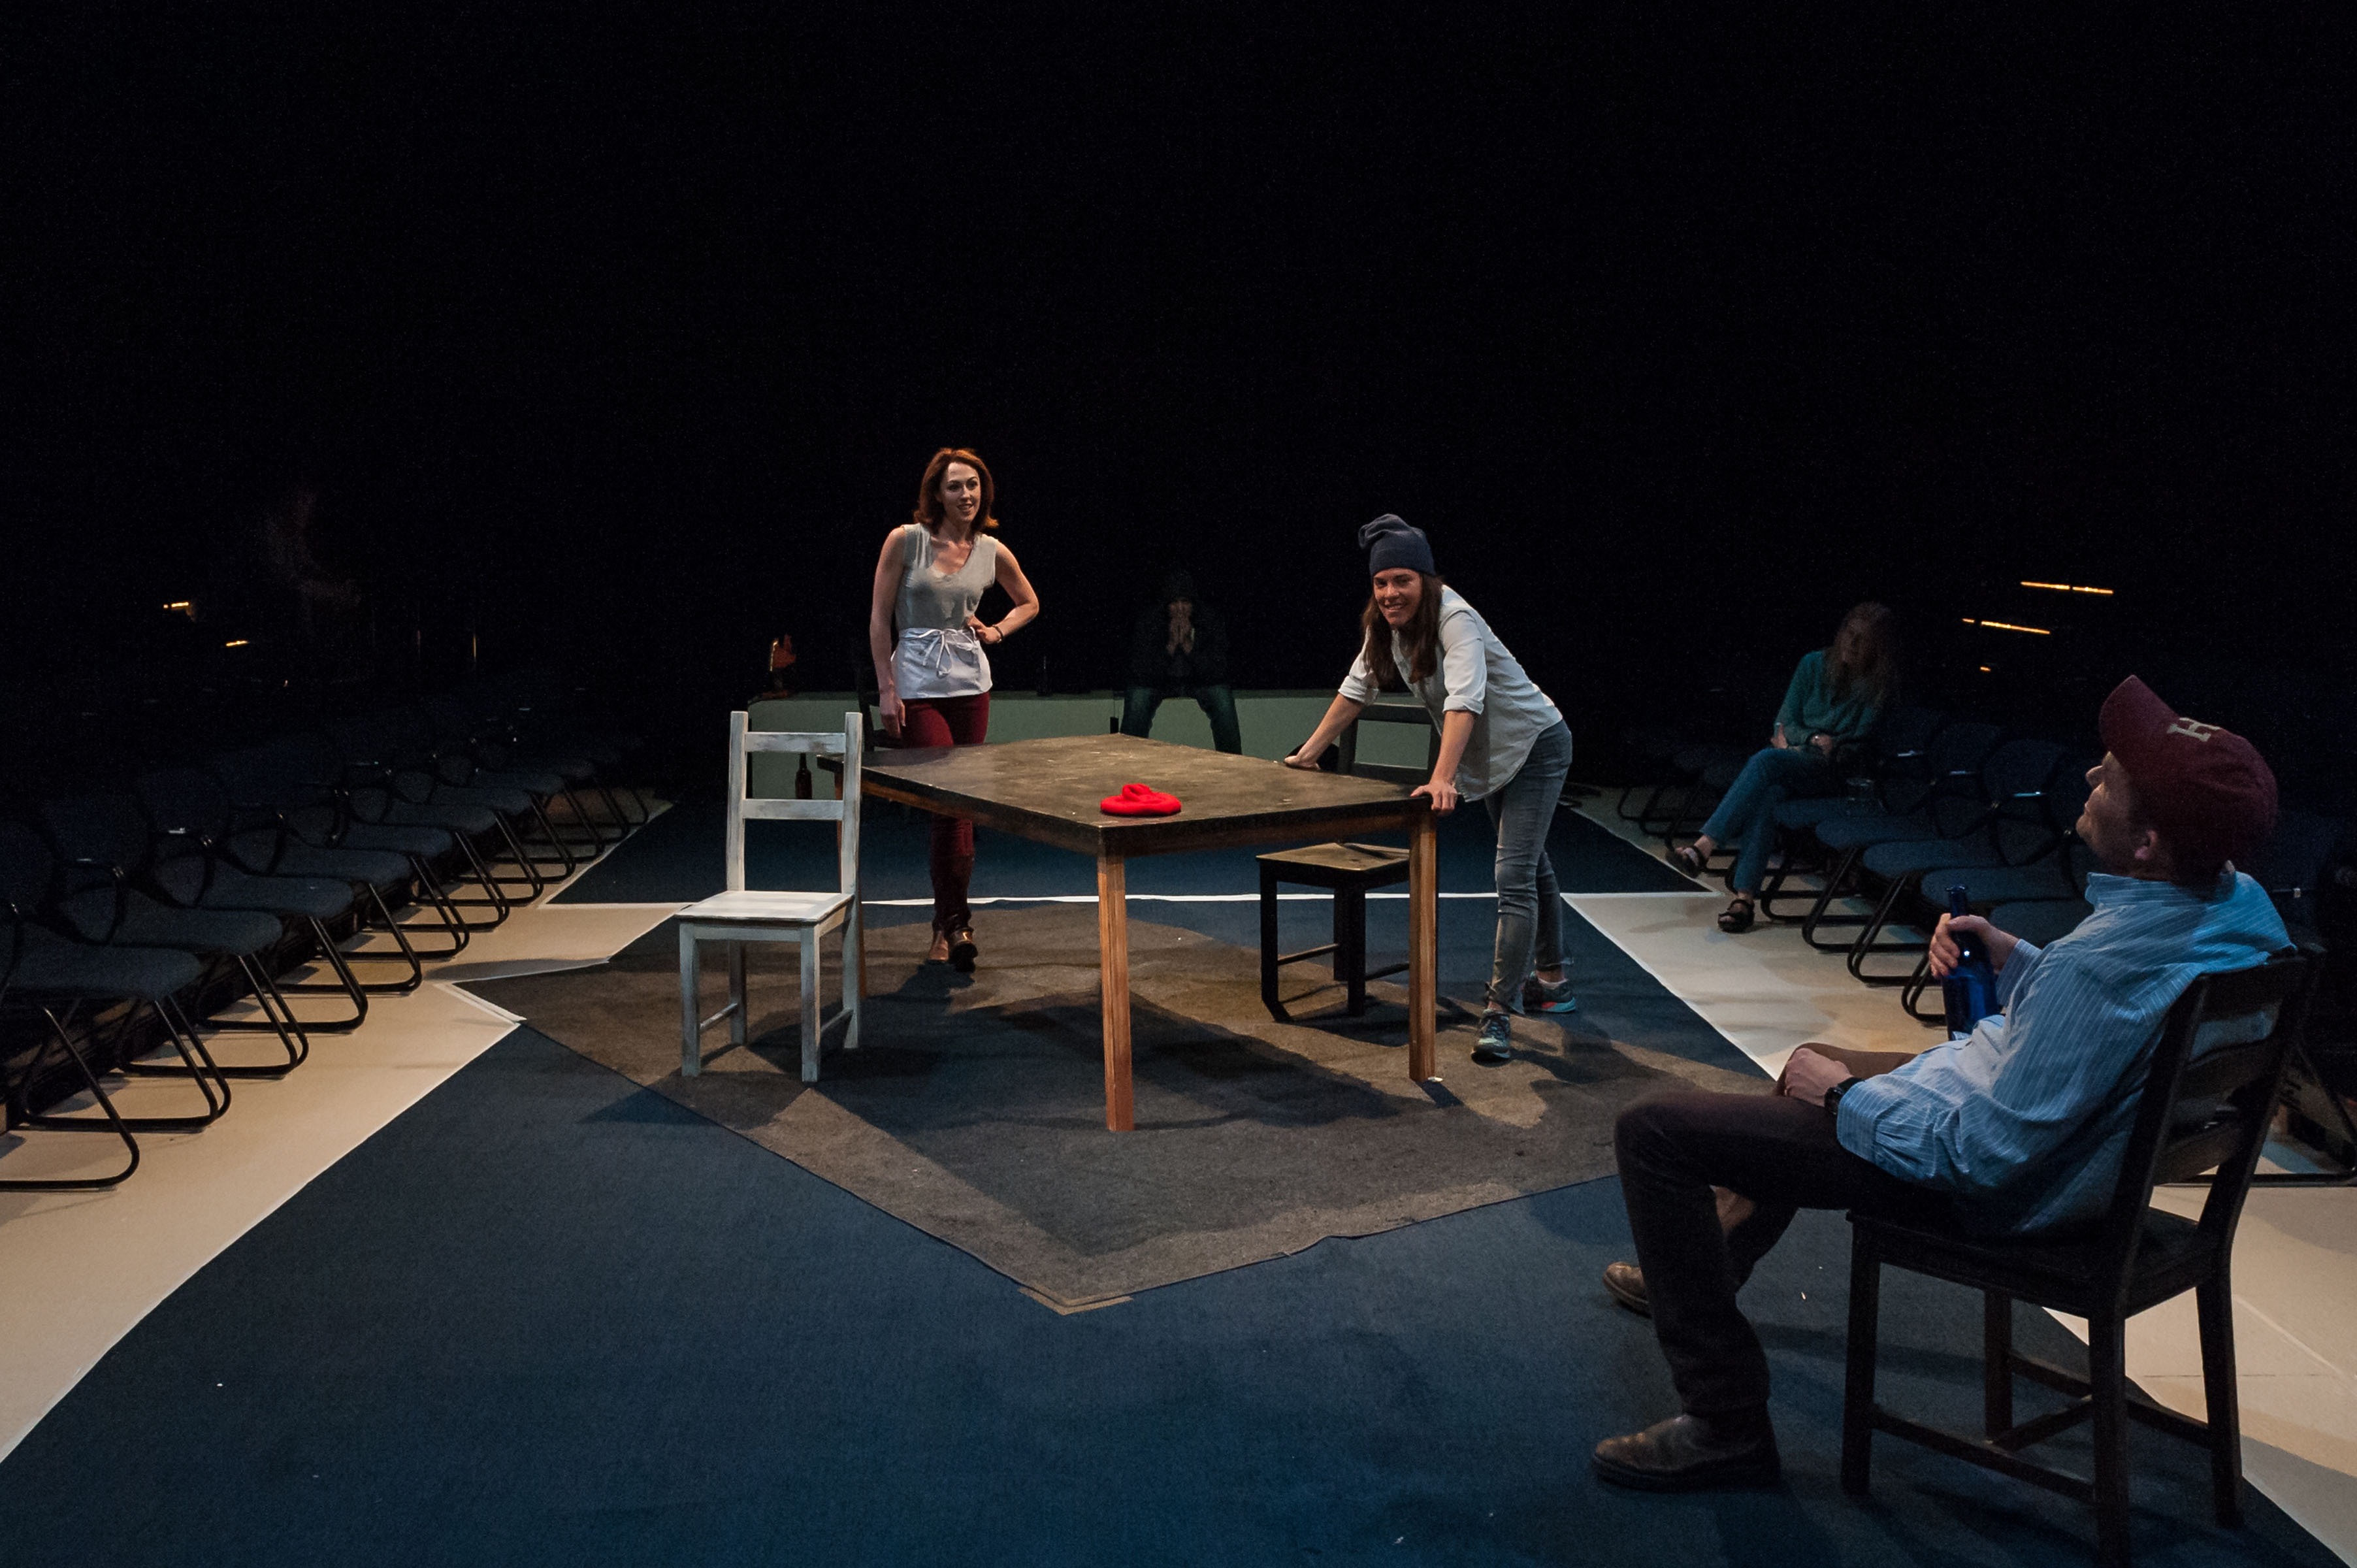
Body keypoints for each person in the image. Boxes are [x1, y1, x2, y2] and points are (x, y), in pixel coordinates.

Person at [1591, 674, 2287, 1491]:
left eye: (2110, 778)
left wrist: (1843, 1100)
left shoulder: (2101, 972)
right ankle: (1714, 1264)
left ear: (2145, 845)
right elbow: (2109, 1036)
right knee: (1813, 1052)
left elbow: (1978, 1157)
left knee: (1654, 1132)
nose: (2092, 780)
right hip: (2079, 1164)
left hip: (2000, 1191)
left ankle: (1724, 1421)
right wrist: (2017, 959)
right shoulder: (2235, 906)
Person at [1282, 515, 1577, 1061]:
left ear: (1426, 580)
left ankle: (1498, 1010)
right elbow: (1357, 689)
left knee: (1512, 873)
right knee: (1531, 865)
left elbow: (1464, 700)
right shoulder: (1385, 624)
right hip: (1492, 757)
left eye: (1403, 581)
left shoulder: (1455, 618)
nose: (1391, 593)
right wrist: (1311, 751)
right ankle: (1554, 982)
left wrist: (1441, 777)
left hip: (1536, 745)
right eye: (1381, 582)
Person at [867, 448, 1041, 972]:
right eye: (955, 487)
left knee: (961, 803)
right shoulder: (906, 540)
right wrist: (886, 688)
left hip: (969, 682)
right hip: (917, 682)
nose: (967, 495)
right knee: (946, 799)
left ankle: (950, 925)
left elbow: (1029, 602)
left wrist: (997, 631)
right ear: (935, 494)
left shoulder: (991, 550)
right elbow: (878, 620)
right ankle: (955, 920)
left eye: (974, 486)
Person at [1668, 602, 1899, 932]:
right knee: (1769, 794)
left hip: (1832, 774)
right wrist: (1811, 740)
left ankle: (1703, 848)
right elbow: (1786, 720)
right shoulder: (1812, 664)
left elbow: (1853, 744)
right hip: (1795, 759)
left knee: (1766, 760)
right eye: (1848, 634)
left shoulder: (1878, 686)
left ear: (1877, 647)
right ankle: (1744, 900)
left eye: (1862, 639)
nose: (1851, 644)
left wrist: (1799, 744)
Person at [1120, 568, 1241, 753]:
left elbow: (1217, 671)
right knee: (1138, 697)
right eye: (1174, 603)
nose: (1180, 609)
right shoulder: (1152, 622)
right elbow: (1142, 672)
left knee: (1222, 698)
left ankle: (1234, 760)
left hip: (1198, 681)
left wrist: (1187, 645)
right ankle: (1126, 758)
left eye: (1185, 602)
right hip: (1161, 682)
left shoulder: (1208, 620)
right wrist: (1170, 646)